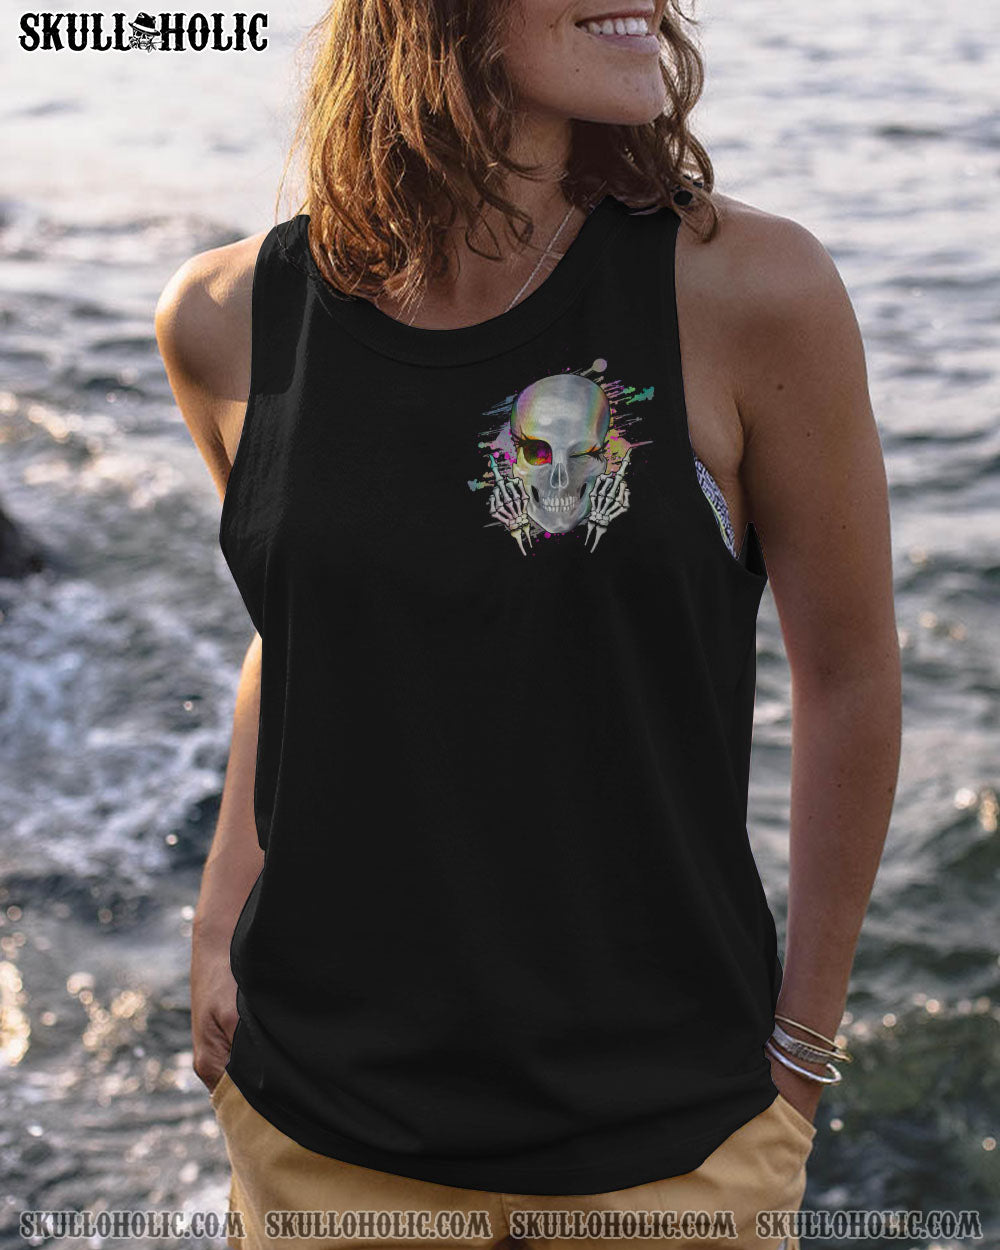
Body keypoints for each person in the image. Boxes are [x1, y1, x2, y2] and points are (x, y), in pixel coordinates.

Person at [155, 2, 901, 1247]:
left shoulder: (751, 292)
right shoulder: (226, 318)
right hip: (318, 1136)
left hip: (672, 1152)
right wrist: (219, 914)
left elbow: (851, 676)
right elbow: (302, 623)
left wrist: (801, 1055)